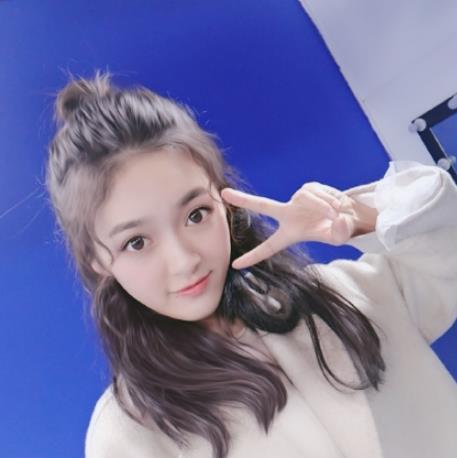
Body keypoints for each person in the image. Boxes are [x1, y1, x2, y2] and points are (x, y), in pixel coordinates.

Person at [45, 70, 457, 458]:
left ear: (225, 200)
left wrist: (358, 216)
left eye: (196, 214)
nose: (184, 260)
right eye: (136, 242)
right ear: (96, 259)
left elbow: (445, 250)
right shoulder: (131, 433)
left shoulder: (342, 296)